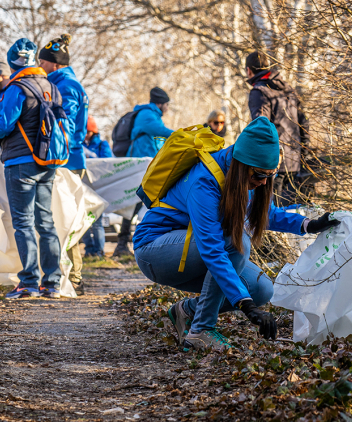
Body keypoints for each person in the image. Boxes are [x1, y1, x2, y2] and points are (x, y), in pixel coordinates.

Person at [133, 117, 338, 350]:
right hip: (154, 250)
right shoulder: (205, 182)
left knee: (261, 289)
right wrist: (245, 305)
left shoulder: (240, 175)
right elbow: (212, 250)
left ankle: (186, 311)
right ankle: (201, 331)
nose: (263, 182)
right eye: (259, 175)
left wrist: (308, 225)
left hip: (190, 248)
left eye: (269, 176)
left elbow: (264, 213)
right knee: (236, 241)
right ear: (243, 166)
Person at [0, 38, 63, 299]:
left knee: (24, 223)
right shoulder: (51, 86)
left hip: (20, 164)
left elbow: (5, 125)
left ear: (13, 62)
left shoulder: (17, 88)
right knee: (46, 223)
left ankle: (28, 282)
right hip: (48, 163)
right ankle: (52, 283)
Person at [39, 34, 90, 295]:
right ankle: (72, 275)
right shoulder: (64, 82)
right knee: (64, 216)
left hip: (67, 160)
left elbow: (65, 125)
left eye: (43, 62)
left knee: (66, 218)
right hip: (69, 158)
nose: (40, 65)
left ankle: (74, 277)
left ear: (54, 64)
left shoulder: (66, 85)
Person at [112, 87, 175, 258]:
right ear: (160, 103)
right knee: (136, 203)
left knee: (138, 203)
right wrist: (183, 134)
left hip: (147, 167)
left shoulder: (151, 115)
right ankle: (123, 244)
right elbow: (161, 132)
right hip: (141, 168)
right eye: (167, 104)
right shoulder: (147, 115)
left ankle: (125, 243)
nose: (168, 108)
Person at [246, 51, 304, 207]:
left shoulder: (259, 92)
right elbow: (304, 123)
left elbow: (261, 128)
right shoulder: (289, 90)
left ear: (249, 70)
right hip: (295, 162)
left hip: (273, 164)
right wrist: (303, 157)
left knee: (270, 214)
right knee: (290, 211)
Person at [81, 116, 112, 258]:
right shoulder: (78, 144)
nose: (85, 134)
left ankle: (99, 251)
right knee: (83, 221)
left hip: (97, 188)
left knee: (97, 222)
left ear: (93, 132)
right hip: (82, 188)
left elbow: (108, 163)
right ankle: (89, 250)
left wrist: (90, 156)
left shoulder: (102, 145)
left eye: (88, 132)